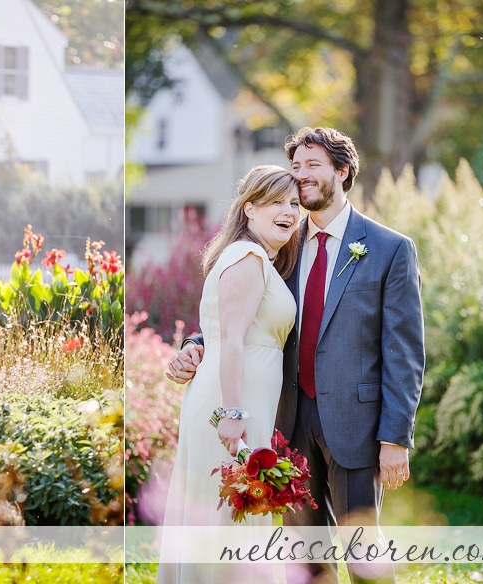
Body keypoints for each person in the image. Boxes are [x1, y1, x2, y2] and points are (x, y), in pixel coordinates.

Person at [167, 127, 425, 584]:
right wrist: (195, 347)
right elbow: (243, 319)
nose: (300, 177)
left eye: (312, 166)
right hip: (284, 423)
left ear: (342, 172)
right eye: (296, 167)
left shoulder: (389, 249)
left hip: (357, 426)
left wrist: (395, 438)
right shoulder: (280, 244)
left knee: (364, 556)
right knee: (303, 561)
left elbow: (404, 352)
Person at [157, 165, 301, 584]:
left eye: (294, 204)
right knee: (227, 515)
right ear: (250, 208)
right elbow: (233, 339)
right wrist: (233, 414)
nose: (288, 211)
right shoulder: (247, 255)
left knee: (236, 514)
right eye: (275, 201)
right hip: (232, 405)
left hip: (244, 400)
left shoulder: (261, 259)